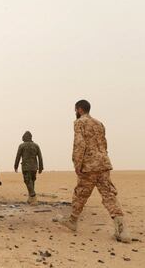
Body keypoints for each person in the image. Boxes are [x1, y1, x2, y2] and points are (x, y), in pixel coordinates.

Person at [56, 100, 131, 243]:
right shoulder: (99, 123)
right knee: (109, 196)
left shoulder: (79, 122)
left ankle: (72, 221)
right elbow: (104, 143)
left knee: (80, 194)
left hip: (89, 165)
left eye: (75, 110)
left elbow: (79, 144)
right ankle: (122, 231)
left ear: (79, 109)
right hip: (103, 163)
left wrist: (77, 164)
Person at [14, 131, 43, 205]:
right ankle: (30, 199)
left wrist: (15, 166)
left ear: (26, 137)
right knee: (32, 182)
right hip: (34, 168)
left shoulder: (22, 146)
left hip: (26, 167)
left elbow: (18, 157)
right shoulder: (36, 145)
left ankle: (33, 197)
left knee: (27, 181)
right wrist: (40, 167)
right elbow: (40, 157)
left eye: (23, 137)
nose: (22, 138)